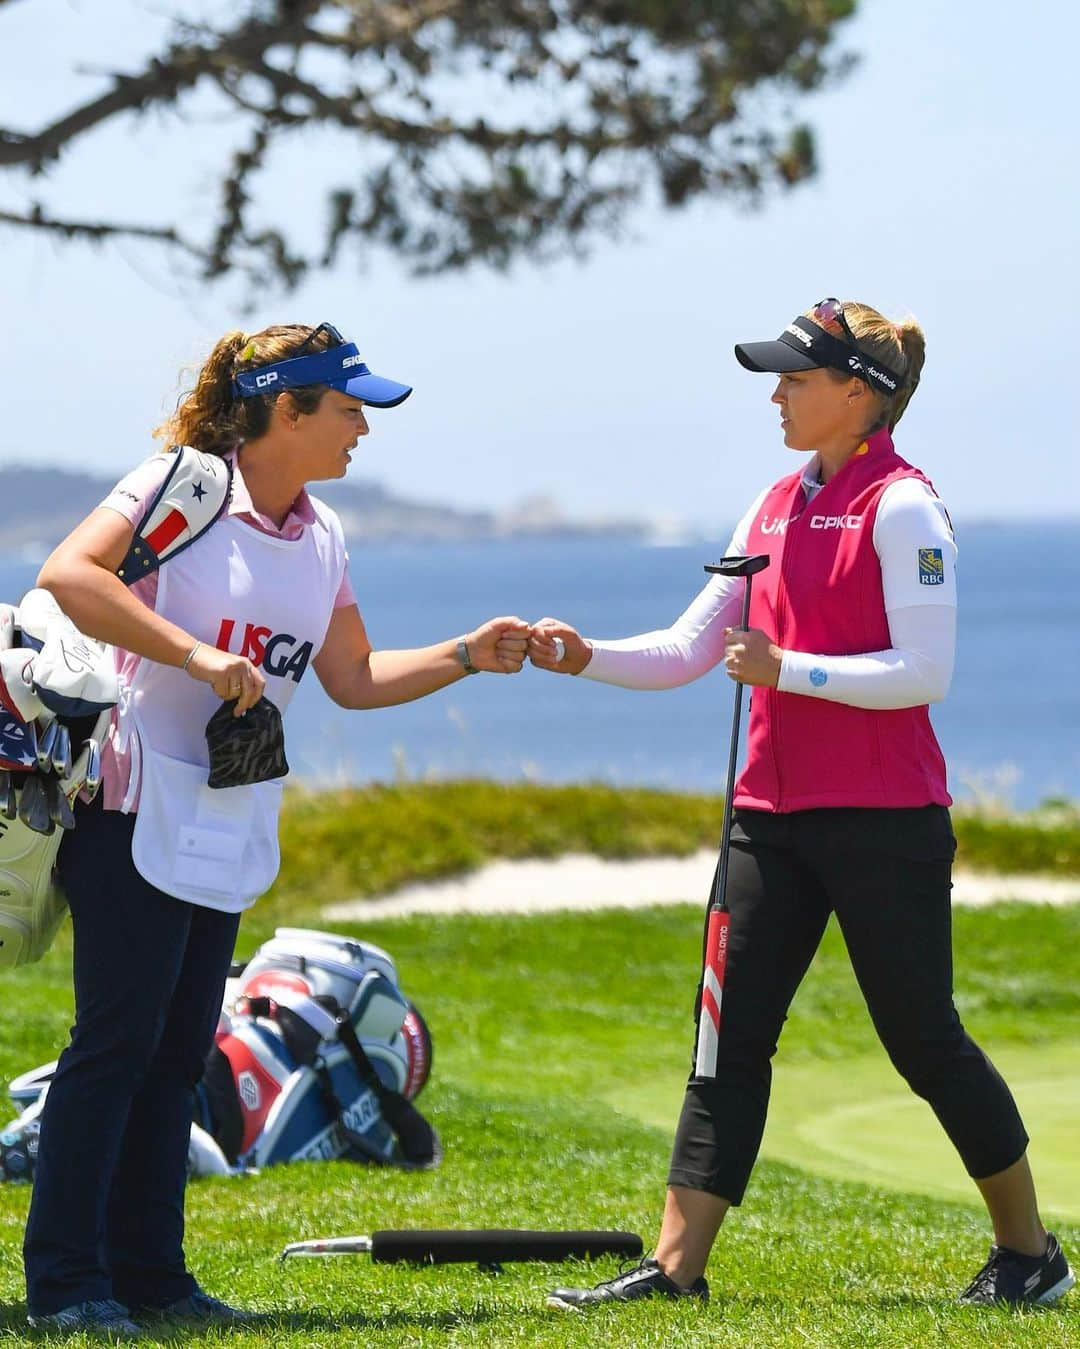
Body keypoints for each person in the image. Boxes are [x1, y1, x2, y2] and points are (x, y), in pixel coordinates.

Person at [528, 299, 1075, 1312]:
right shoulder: (771, 505)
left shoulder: (905, 507)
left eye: (794, 378)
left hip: (884, 821)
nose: (776, 394)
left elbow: (925, 671)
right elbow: (696, 644)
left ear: (856, 392)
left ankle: (1030, 1251)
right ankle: (676, 1268)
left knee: (923, 1040)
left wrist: (789, 670)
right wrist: (585, 656)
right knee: (725, 1038)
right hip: (766, 819)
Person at [22, 321, 530, 1339]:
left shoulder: (325, 534)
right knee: (115, 1044)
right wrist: (197, 655)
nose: (362, 432)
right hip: (129, 802)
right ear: (284, 409)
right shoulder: (185, 485)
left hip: (224, 815)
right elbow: (69, 577)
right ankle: (67, 1281)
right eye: (349, 410)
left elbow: (351, 676)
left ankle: (154, 1276)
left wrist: (471, 652)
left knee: (177, 1053)